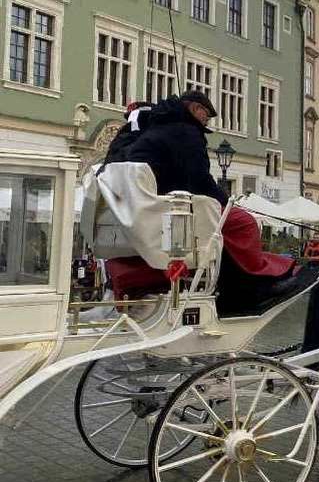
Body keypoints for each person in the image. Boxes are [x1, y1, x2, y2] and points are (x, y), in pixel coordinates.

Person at [122, 91, 309, 315]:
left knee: (221, 229)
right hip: (171, 208)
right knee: (245, 223)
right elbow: (200, 180)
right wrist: (227, 202)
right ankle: (257, 286)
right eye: (206, 116)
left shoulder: (156, 130)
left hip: (149, 204)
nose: (206, 121)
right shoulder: (186, 132)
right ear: (195, 109)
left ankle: (234, 286)